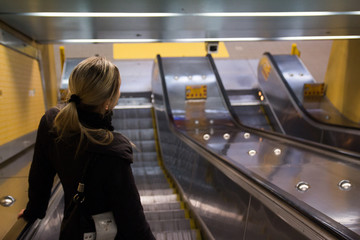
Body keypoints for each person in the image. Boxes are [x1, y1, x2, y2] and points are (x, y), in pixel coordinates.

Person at [18, 56, 155, 239]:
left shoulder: (52, 122)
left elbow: (40, 175)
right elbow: (132, 221)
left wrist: (33, 210)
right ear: (109, 100)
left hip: (72, 231)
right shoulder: (112, 148)